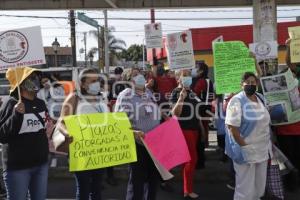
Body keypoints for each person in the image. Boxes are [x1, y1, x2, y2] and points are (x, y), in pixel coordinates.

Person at [57, 68, 109, 200]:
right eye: (92, 81)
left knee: (97, 189)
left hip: (100, 150)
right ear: (83, 83)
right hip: (81, 151)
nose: (96, 83)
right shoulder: (74, 98)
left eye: (98, 80)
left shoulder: (102, 98)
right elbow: (61, 123)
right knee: (84, 189)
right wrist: (67, 133)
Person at [0, 67, 49, 200]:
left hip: (41, 165)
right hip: (17, 168)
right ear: (20, 84)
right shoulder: (11, 104)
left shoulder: (41, 104)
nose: (36, 80)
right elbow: (2, 136)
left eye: (36, 77)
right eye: (30, 78)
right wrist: (16, 114)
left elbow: (43, 130)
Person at [225, 72, 272, 200]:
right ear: (242, 85)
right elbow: (232, 128)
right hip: (246, 150)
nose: (251, 85)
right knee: (245, 189)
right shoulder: (236, 101)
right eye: (248, 82)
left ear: (257, 84)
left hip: (262, 150)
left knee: (259, 187)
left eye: (253, 82)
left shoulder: (261, 97)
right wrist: (244, 147)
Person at [114, 71, 161, 200]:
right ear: (129, 80)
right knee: (137, 181)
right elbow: (120, 122)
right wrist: (133, 133)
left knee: (153, 178)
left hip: (154, 142)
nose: (140, 76)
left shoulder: (149, 93)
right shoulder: (125, 96)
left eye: (139, 73)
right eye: (135, 74)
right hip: (137, 144)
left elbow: (155, 111)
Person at [171, 69, 202, 199]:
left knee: (188, 160)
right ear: (178, 78)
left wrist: (201, 127)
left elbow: (196, 112)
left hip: (195, 129)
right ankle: (188, 190)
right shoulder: (176, 92)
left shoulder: (192, 91)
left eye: (189, 75)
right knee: (191, 159)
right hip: (185, 129)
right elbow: (175, 113)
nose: (188, 78)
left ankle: (186, 188)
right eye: (185, 76)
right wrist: (181, 99)